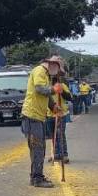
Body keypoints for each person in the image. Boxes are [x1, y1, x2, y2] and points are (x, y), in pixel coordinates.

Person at [21, 56, 63, 188]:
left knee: (39, 148)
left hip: (38, 116)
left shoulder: (45, 74)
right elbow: (39, 89)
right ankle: (37, 178)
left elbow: (46, 95)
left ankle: (36, 176)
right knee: (38, 148)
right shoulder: (39, 71)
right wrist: (54, 89)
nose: (57, 73)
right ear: (53, 65)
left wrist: (53, 106)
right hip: (32, 116)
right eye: (58, 69)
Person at [47, 72, 73, 164]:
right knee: (52, 136)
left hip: (60, 114)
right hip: (49, 114)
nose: (53, 78)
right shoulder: (47, 87)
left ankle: (64, 155)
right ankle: (55, 154)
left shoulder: (62, 85)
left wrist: (62, 91)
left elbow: (69, 97)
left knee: (60, 134)